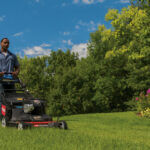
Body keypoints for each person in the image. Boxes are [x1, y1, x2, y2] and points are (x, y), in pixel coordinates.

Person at [0, 38, 20, 116]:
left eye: (8, 43)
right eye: (5, 43)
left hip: (11, 81)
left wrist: (16, 73)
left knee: (13, 99)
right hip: (0, 81)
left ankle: (13, 117)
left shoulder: (12, 56)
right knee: (2, 99)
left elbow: (17, 67)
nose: (6, 44)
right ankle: (2, 119)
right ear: (1, 43)